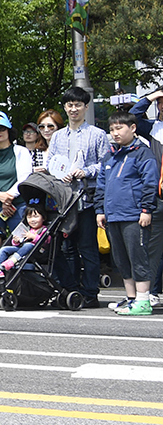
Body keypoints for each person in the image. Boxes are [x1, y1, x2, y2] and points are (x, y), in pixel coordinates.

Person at [46, 86, 109, 307]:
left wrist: (87, 171)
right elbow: (50, 162)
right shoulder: (57, 137)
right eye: (70, 105)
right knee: (67, 248)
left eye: (78, 105)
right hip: (63, 200)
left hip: (87, 198)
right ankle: (71, 291)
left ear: (86, 107)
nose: (74, 109)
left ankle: (90, 292)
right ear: (65, 107)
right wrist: (58, 174)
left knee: (88, 247)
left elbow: (105, 165)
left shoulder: (97, 134)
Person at [94, 111, 158, 316]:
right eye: (112, 129)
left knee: (138, 257)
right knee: (121, 259)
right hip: (113, 214)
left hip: (134, 214)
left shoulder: (142, 153)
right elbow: (101, 185)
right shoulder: (110, 155)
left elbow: (150, 183)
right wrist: (99, 210)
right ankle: (131, 298)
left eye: (120, 128)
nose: (115, 133)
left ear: (132, 128)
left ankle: (143, 300)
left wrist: (147, 209)